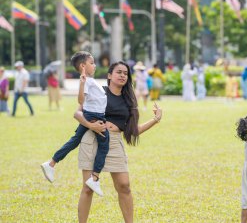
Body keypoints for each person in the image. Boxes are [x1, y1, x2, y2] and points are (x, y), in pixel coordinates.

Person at [75, 61, 162, 223]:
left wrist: (155, 120)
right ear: (109, 75)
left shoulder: (128, 100)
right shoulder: (99, 91)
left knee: (124, 185)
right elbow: (78, 112)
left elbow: (133, 130)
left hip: (114, 142)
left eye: (125, 73)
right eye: (119, 72)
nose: (122, 75)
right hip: (92, 139)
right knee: (88, 188)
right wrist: (90, 125)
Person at [41, 51, 109, 196]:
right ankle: (94, 178)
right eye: (92, 63)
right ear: (83, 66)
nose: (95, 65)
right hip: (95, 116)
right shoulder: (86, 81)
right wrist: (82, 83)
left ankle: (51, 163)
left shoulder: (91, 81)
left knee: (74, 140)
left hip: (92, 114)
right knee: (104, 145)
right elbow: (80, 101)